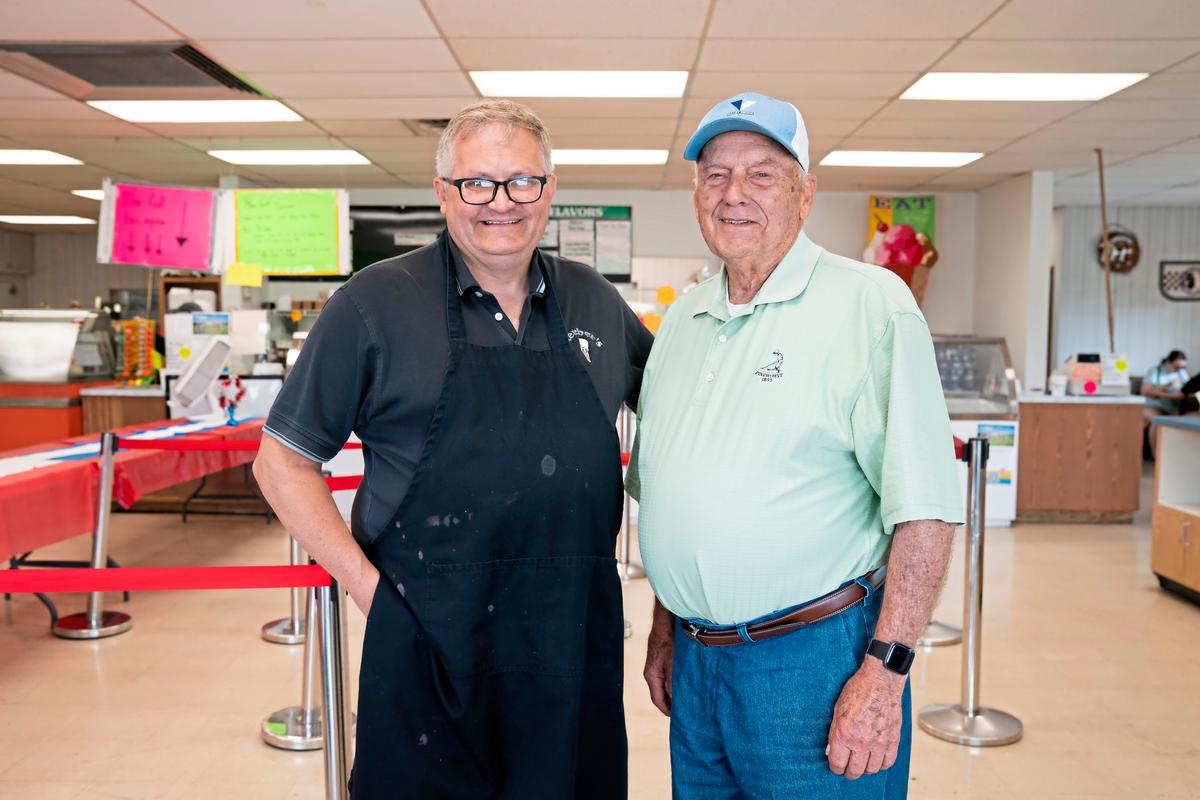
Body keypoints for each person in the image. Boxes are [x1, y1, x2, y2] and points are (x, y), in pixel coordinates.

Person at [253, 99, 652, 799]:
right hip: (426, 643)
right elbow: (281, 460)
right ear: (444, 193)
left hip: (570, 642)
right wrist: (367, 588)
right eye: (477, 183)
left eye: (522, 181)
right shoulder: (374, 304)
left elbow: (683, 419)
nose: (500, 203)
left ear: (549, 190)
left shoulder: (596, 303)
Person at [627, 92, 965, 799]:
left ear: (805, 194)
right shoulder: (686, 315)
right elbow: (668, 492)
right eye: (715, 175)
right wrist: (665, 628)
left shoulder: (870, 305)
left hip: (814, 662)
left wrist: (886, 672)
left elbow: (927, 509)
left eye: (762, 174)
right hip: (695, 663)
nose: (733, 195)